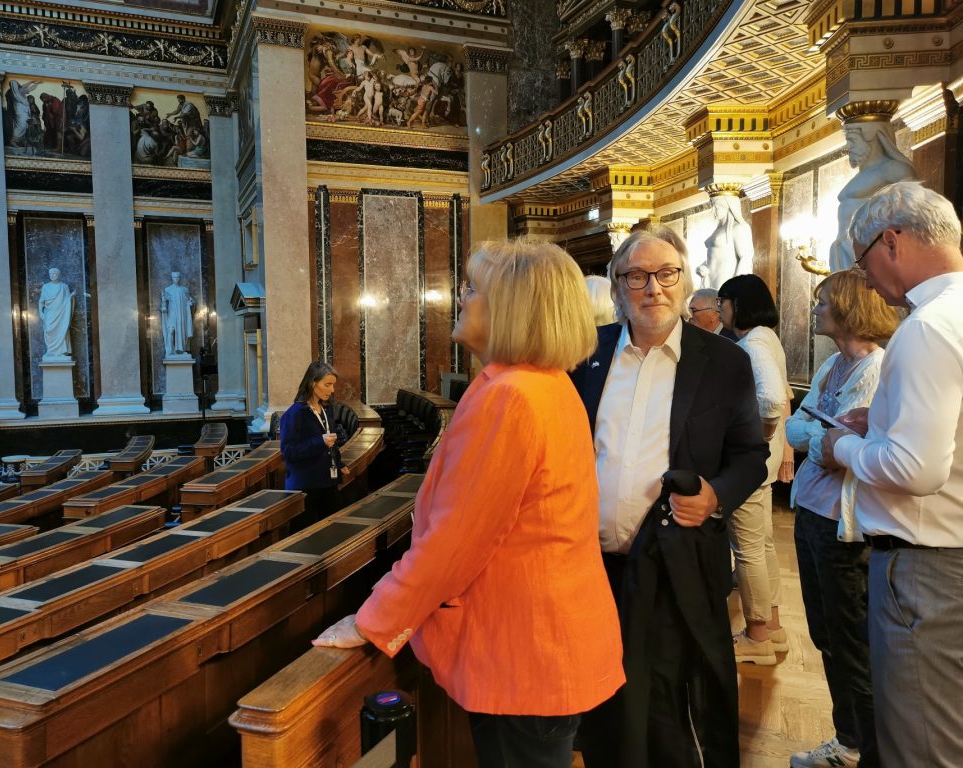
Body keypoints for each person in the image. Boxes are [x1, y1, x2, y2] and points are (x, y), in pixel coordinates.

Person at [313, 238, 624, 768]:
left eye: (473, 288)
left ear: (512, 308)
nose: (460, 297)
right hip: (541, 642)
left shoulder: (512, 396)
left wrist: (373, 620)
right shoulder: (541, 384)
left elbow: (456, 542)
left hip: (525, 651)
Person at [572, 226, 768, 768]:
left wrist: (715, 495)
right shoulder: (586, 354)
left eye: (665, 274)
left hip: (673, 563)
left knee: (663, 708)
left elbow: (751, 455)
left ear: (684, 282)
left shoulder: (724, 362)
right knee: (600, 709)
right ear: (617, 286)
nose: (652, 287)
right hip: (590, 566)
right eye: (636, 276)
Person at [821, 181, 963, 767]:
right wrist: (879, 425)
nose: (867, 280)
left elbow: (917, 469)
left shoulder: (928, 326)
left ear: (892, 242)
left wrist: (843, 447)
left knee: (921, 744)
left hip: (925, 564)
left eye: (862, 261)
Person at [786, 269, 899, 768]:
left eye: (823, 301)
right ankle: (847, 739)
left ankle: (868, 748)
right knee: (825, 635)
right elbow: (796, 429)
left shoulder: (876, 369)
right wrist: (823, 439)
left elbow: (843, 449)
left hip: (843, 525)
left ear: (849, 308)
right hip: (811, 512)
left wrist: (823, 441)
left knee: (851, 642)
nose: (815, 309)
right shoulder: (833, 364)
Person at [717, 273, 793, 664]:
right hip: (764, 461)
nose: (720, 311)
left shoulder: (754, 343)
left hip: (752, 463)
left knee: (746, 550)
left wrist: (758, 437)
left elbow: (773, 400)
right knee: (761, 545)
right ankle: (772, 627)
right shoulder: (766, 338)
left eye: (723, 303)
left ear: (738, 305)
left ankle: (757, 635)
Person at [829, 120, 916, 272]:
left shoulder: (893, 169)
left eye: (852, 139)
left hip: (867, 251)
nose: (848, 146)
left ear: (871, 136)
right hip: (844, 250)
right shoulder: (862, 175)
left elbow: (912, 213)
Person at [278, 361, 350, 527]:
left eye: (333, 385)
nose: (332, 390)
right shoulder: (295, 414)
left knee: (335, 530)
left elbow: (331, 442)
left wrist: (339, 463)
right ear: (312, 383)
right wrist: (320, 442)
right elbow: (289, 452)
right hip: (306, 486)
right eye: (327, 385)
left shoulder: (327, 408)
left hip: (328, 481)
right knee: (305, 535)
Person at [698, 193, 754, 288]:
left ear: (728, 206)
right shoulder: (716, 230)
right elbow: (714, 256)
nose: (713, 210)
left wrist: (736, 286)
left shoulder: (739, 228)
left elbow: (746, 257)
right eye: (712, 206)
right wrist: (702, 267)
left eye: (716, 207)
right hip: (709, 282)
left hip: (725, 281)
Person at [38, 267, 74, 359]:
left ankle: (62, 352)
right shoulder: (45, 287)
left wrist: (71, 297)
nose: (52, 275)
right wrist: (40, 312)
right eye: (51, 274)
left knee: (62, 330)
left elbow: (67, 300)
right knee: (48, 330)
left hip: (61, 314)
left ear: (58, 275)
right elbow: (41, 301)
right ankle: (51, 351)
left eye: (54, 274)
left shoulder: (64, 286)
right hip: (49, 314)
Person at [160, 271, 194, 356]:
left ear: (179, 278)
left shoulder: (184, 290)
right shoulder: (168, 290)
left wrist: (190, 303)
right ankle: (170, 350)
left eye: (178, 277)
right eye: (174, 277)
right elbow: (164, 301)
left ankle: (181, 350)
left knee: (182, 330)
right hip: (172, 313)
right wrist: (163, 304)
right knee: (171, 330)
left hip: (182, 314)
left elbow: (190, 300)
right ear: (172, 278)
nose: (176, 279)